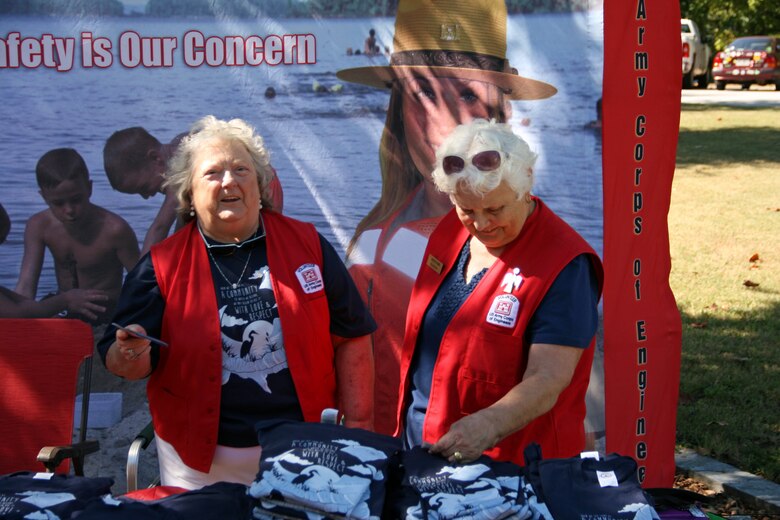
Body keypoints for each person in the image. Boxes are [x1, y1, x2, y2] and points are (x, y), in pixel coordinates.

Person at [98, 115, 375, 490]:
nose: (229, 181)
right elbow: (121, 361)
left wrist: (358, 428)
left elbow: (352, 336)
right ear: (189, 195)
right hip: (198, 464)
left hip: (304, 450)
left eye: (241, 169)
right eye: (212, 173)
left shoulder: (308, 244)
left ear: (259, 185)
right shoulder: (160, 266)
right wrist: (130, 353)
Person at [336, 0, 557, 436]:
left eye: (468, 95)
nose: (442, 127)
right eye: (423, 94)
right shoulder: (374, 242)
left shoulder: (549, 248)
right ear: (397, 111)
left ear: (502, 112)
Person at [397, 119, 603, 465]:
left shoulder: (565, 264)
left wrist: (488, 424)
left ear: (526, 186)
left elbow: (548, 377)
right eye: (467, 210)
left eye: (495, 209)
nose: (481, 224)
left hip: (512, 460)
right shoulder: (449, 232)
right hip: (426, 444)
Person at [104, 127, 285, 256]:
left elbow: (160, 227)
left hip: (261, 186)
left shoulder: (180, 160)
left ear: (155, 158)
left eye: (143, 187)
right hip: (243, 185)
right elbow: (181, 224)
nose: (146, 196)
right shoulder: (179, 144)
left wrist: (138, 282)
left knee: (250, 251)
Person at [15, 148, 139, 324]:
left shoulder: (114, 230)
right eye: (58, 203)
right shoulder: (39, 226)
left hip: (105, 313)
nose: (69, 210)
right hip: (64, 308)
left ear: (89, 188)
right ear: (44, 197)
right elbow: (26, 287)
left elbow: (142, 283)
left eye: (76, 200)